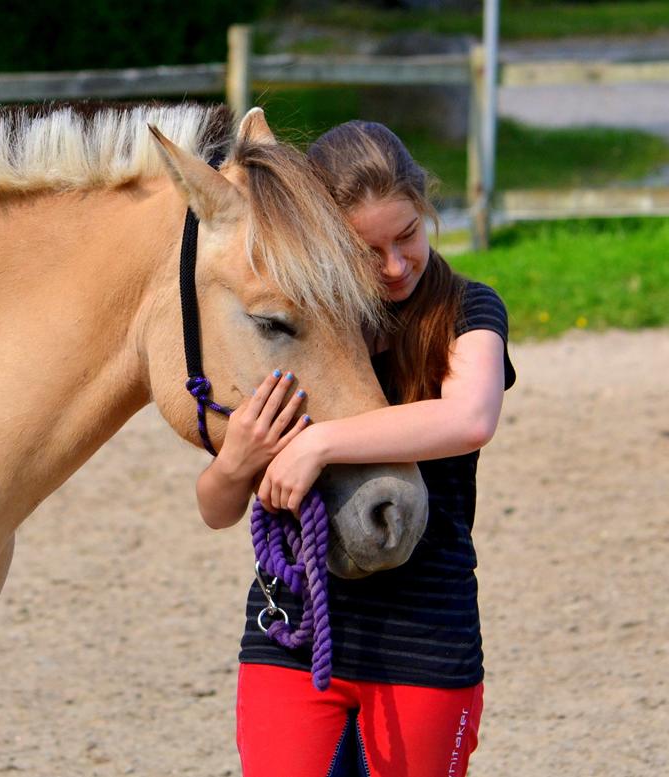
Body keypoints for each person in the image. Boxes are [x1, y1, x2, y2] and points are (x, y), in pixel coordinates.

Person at [195, 121, 516, 777]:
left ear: (427, 211)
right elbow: (216, 507)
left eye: (409, 236)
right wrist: (238, 458)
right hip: (291, 631)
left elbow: (470, 416)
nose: (396, 265)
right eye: (369, 249)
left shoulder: (466, 310)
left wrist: (319, 443)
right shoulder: (297, 331)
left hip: (425, 638)